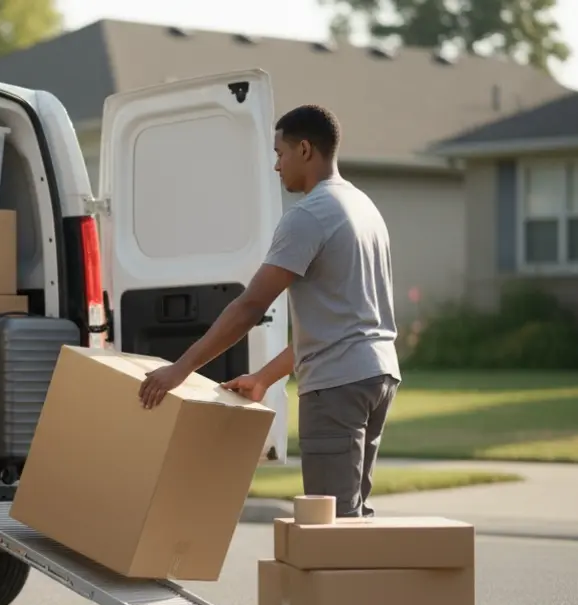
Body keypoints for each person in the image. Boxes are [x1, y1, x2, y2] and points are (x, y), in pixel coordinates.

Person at [137, 104, 400, 519]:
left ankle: (345, 587)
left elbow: (250, 306)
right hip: (377, 374)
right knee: (352, 517)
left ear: (306, 150)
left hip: (337, 386)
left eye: (280, 153)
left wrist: (179, 370)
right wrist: (263, 378)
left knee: (332, 527)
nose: (276, 166)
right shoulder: (364, 208)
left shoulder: (310, 216)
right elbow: (335, 324)